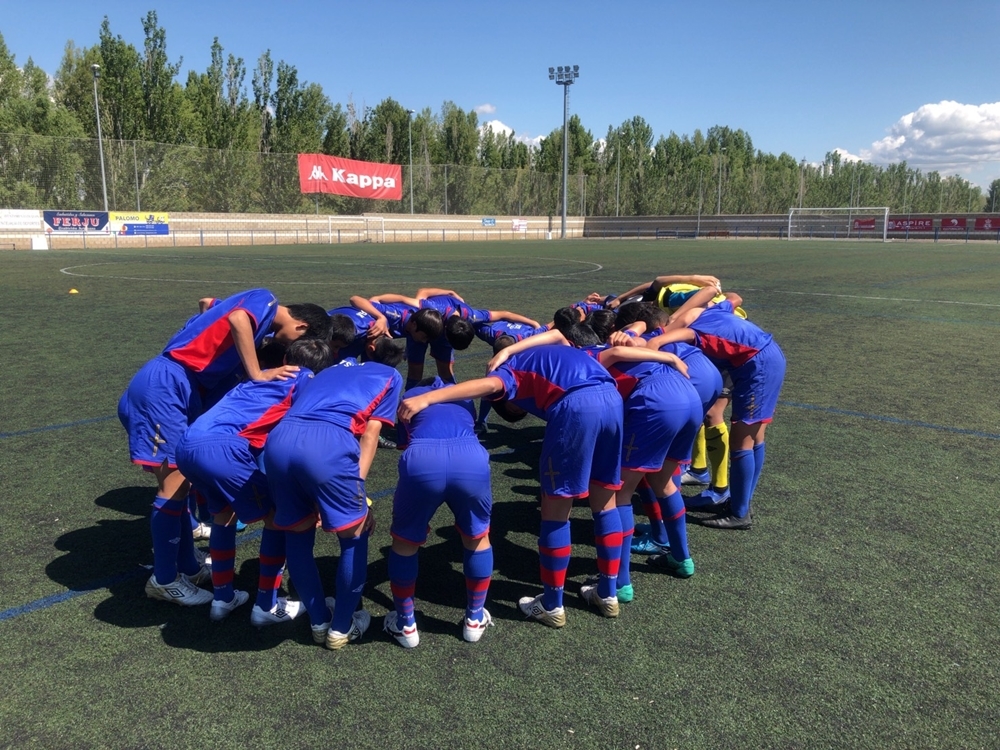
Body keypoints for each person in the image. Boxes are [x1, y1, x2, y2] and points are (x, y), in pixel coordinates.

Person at [118, 289, 330, 606]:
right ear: (301, 326)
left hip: (179, 384)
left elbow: (207, 303)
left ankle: (188, 567)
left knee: (180, 485)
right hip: (167, 384)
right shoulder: (267, 300)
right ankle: (164, 579)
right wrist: (256, 373)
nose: (288, 348)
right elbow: (238, 318)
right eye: (295, 342)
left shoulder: (257, 318)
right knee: (173, 486)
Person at [399, 331, 624, 627]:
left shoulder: (510, 372)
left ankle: (552, 605)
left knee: (556, 509)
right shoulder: (544, 348)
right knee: (606, 501)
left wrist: (426, 398)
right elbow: (558, 333)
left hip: (576, 406)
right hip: (612, 398)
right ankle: (608, 593)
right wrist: (508, 350)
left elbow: (488, 385)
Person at [174, 338, 334, 623]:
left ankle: (222, 598)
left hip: (187, 445)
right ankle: (266, 606)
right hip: (224, 450)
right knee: (276, 518)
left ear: (285, 359)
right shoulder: (306, 379)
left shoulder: (258, 379)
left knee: (223, 516)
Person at [264, 340, 405, 649]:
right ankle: (341, 627)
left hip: (279, 441)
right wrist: (360, 491)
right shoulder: (391, 377)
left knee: (297, 533)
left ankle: (318, 621)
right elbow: (370, 435)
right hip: (328, 443)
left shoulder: (326, 371)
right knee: (355, 534)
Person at [646, 288, 786, 529]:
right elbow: (734, 297)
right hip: (766, 357)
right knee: (755, 436)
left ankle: (739, 513)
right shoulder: (714, 311)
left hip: (758, 367)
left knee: (742, 440)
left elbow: (656, 342)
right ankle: (741, 502)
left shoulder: (695, 331)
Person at [383, 377, 495, 647]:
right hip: (469, 457)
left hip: (422, 458)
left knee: (405, 542)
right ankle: (474, 618)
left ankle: (406, 625)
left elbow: (404, 441)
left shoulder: (410, 397)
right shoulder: (464, 397)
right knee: (477, 537)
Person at [348, 294, 445, 387]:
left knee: (411, 370)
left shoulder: (419, 322)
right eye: (424, 337)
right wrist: (381, 317)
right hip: (358, 335)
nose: (424, 341)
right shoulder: (393, 315)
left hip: (376, 343)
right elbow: (355, 299)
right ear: (414, 325)